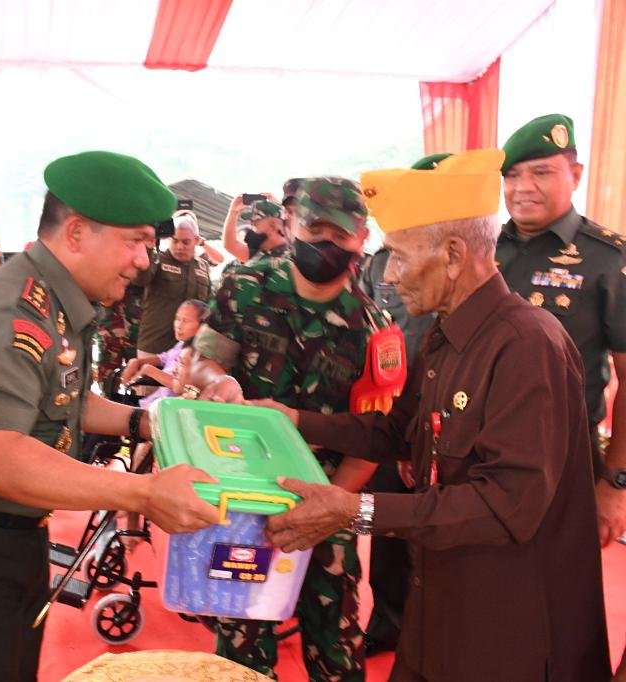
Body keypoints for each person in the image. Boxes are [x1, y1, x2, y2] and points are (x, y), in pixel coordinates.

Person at [245, 149, 610, 682]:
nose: (389, 275)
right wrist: (292, 420)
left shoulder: (526, 345)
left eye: (398, 256)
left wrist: (353, 511)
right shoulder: (446, 335)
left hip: (506, 635)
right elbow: (397, 431)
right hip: (437, 606)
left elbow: (506, 505)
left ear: (454, 254)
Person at [0, 150, 221, 681]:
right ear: (76, 233)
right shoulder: (12, 313)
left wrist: (148, 423)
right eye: (135, 241)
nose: (144, 260)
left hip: (12, 534)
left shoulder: (55, 301)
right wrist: (143, 493)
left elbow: (65, 400)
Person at [187, 177, 386, 680]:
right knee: (241, 653)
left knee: (336, 652)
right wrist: (221, 381)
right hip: (243, 499)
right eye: (315, 229)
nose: (326, 243)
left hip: (327, 502)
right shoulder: (245, 286)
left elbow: (371, 441)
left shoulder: (372, 328)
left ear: (361, 238)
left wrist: (327, 508)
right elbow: (203, 361)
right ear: (291, 222)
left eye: (341, 235)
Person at [496, 113, 626, 550]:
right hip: (478, 456)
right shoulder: (484, 250)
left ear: (576, 174)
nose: (523, 187)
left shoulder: (609, 259)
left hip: (564, 460)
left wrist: (616, 481)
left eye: (541, 172)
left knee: (557, 586)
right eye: (511, 175)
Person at [357, 153, 447, 658]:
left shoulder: (474, 256)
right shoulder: (379, 263)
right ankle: (388, 621)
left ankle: (436, 631)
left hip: (453, 424)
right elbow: (370, 340)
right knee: (388, 529)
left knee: (446, 535)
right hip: (395, 419)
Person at [135, 210, 212, 358]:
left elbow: (207, 304)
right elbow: (140, 280)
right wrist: (148, 249)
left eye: (186, 242)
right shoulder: (157, 259)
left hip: (187, 349)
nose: (179, 247)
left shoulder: (203, 266)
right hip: (155, 344)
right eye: (175, 241)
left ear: (196, 240)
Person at [121, 298, 207, 407]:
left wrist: (148, 370)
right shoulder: (181, 344)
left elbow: (183, 387)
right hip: (156, 402)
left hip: (174, 407)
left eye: (185, 321)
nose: (179, 325)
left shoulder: (198, 353)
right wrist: (137, 362)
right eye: (177, 319)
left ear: (202, 326)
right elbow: (163, 358)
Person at [221, 195, 291, 264]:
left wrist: (233, 212)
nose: (252, 224)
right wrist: (233, 212)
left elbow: (230, 245)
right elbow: (231, 245)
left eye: (256, 221)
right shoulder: (263, 250)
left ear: (272, 224)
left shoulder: (289, 253)